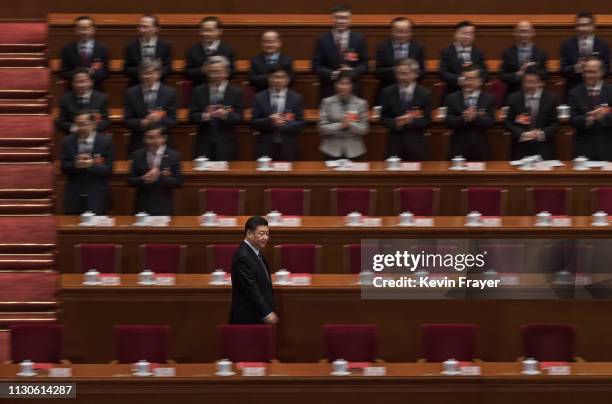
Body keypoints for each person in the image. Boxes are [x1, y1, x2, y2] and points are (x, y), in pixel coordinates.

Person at [188, 56, 244, 160]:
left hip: (226, 143)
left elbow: (239, 117)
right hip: (203, 143)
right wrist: (207, 116)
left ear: (226, 73)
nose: (214, 75)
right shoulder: (198, 91)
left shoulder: (236, 92)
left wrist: (225, 115)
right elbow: (191, 116)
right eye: (211, 71)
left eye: (218, 71)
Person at [60, 111, 114, 215]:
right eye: (77, 124)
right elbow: (63, 167)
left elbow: (109, 169)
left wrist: (91, 165)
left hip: (97, 197)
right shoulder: (67, 141)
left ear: (93, 125)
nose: (80, 128)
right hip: (74, 198)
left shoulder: (105, 142)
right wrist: (75, 164)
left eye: (83, 124)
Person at [312, 4, 368, 100]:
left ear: (350, 20)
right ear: (332, 19)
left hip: (353, 88)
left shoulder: (359, 39)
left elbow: (365, 64)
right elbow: (315, 65)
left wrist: (353, 72)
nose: (341, 21)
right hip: (329, 88)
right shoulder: (322, 39)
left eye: (345, 18)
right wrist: (333, 74)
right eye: (337, 18)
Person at [229, 216, 278, 325]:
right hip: (247, 318)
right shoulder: (243, 257)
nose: (265, 237)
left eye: (267, 234)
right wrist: (267, 312)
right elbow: (251, 288)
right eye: (261, 233)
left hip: (256, 315)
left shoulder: (255, 251)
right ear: (249, 233)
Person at [380, 58, 431, 161]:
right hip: (394, 144)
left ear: (415, 74)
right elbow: (383, 118)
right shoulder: (387, 92)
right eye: (398, 73)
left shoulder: (424, 94)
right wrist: (396, 122)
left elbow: (427, 121)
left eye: (405, 73)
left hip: (416, 144)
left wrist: (411, 121)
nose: (401, 77)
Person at [251, 66, 305, 160]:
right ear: (269, 79)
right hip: (265, 146)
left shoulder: (296, 98)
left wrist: (284, 124)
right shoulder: (258, 97)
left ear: (287, 80)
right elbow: (254, 123)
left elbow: (301, 123)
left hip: (288, 146)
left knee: (288, 174)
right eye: (274, 77)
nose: (278, 80)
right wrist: (270, 121)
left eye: (281, 77)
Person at [505, 67, 559, 160]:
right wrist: (522, 134)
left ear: (541, 82)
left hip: (544, 148)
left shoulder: (551, 98)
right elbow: (509, 123)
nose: (528, 85)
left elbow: (555, 123)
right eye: (525, 82)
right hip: (520, 149)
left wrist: (541, 133)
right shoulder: (513, 98)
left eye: (533, 82)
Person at [124, 60, 177, 153]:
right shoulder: (130, 93)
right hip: (139, 142)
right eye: (144, 73)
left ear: (159, 74)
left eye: (150, 73)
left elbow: (173, 121)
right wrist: (143, 122)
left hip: (162, 143)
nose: (146, 76)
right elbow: (127, 120)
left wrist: (159, 119)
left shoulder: (169, 93)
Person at [445, 65, 495, 161]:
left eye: (471, 79)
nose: (467, 82)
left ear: (480, 81)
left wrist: (475, 117)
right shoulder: (452, 98)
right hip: (458, 148)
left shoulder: (488, 98)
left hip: (481, 148)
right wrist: (463, 118)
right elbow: (448, 121)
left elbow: (490, 122)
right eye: (465, 79)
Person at [128, 126, 182, 215]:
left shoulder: (173, 156)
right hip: (142, 207)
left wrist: (160, 177)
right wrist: (143, 179)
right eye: (147, 138)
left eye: (153, 138)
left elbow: (179, 182)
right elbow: (130, 180)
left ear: (164, 138)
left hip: (164, 207)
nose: (149, 141)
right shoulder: (137, 155)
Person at [318, 71, 369, 160]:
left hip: (355, 151)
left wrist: (350, 125)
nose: (344, 87)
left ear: (352, 86)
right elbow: (321, 128)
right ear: (336, 85)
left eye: (347, 84)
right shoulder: (326, 102)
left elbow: (364, 129)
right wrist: (340, 125)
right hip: (331, 150)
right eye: (341, 84)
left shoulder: (361, 103)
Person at [568, 57, 612, 160]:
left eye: (592, 72)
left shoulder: (610, 91)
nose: (587, 75)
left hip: (608, 147)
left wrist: (603, 116)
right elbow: (572, 119)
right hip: (583, 148)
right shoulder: (574, 92)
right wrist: (589, 119)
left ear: (601, 72)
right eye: (585, 72)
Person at [561, 12, 610, 95]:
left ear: (593, 26)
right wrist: (577, 68)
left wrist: (594, 71)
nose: (582, 29)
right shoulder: (567, 44)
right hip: (574, 89)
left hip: (598, 90)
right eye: (579, 25)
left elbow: (607, 68)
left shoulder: (603, 44)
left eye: (585, 25)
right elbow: (563, 70)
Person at [375, 17, 425, 99]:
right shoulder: (382, 47)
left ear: (411, 32)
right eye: (398, 31)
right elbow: (378, 72)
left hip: (411, 90)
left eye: (405, 32)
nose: (401, 35)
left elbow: (422, 72)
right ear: (391, 31)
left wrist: (408, 75)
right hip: (388, 89)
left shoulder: (418, 47)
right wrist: (398, 71)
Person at [500, 20, 549, 98]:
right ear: (515, 33)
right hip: (514, 95)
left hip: (536, 94)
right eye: (520, 32)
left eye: (527, 32)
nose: (524, 35)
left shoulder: (541, 53)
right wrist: (518, 74)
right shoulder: (507, 53)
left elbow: (545, 75)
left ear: (533, 32)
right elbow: (503, 76)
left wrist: (534, 72)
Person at [439, 21, 487, 97]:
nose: (467, 37)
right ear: (456, 34)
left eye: (471, 34)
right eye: (464, 33)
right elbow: (443, 73)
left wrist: (475, 81)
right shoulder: (446, 52)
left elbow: (484, 72)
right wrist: (461, 80)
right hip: (453, 92)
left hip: (475, 94)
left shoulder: (478, 52)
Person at [59, 15, 109, 88]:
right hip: (73, 90)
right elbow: (63, 73)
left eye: (87, 28)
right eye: (80, 29)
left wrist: (91, 74)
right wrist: (80, 74)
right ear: (75, 30)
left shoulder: (103, 48)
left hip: (96, 91)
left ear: (93, 29)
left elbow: (106, 73)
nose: (84, 32)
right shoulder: (67, 49)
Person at [56, 68, 110, 135]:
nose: (81, 85)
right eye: (78, 82)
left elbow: (106, 121)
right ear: (72, 83)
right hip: (73, 137)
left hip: (95, 137)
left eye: (84, 81)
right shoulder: (65, 98)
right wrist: (75, 128)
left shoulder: (101, 98)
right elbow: (61, 122)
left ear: (91, 82)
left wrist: (92, 127)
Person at [123, 14, 172, 87]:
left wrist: (155, 74)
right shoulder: (131, 46)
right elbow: (126, 69)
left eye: (145, 27)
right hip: (137, 86)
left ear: (157, 28)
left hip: (159, 87)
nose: (141, 30)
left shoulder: (165, 46)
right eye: (140, 26)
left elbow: (168, 69)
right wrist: (144, 72)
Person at [185, 16, 235, 87]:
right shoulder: (192, 49)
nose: (205, 34)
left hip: (222, 91)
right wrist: (202, 70)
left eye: (209, 30)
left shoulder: (228, 49)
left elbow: (233, 73)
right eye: (203, 30)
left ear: (220, 31)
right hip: (200, 91)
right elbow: (187, 73)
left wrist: (222, 71)